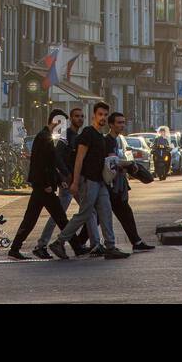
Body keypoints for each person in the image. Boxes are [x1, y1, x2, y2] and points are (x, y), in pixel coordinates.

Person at [48, 102, 127, 260]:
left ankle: (110, 246)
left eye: (105, 115)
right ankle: (59, 242)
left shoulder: (101, 137)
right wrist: (75, 182)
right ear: (94, 116)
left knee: (105, 211)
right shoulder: (88, 133)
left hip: (100, 181)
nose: (103, 117)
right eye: (100, 114)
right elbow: (79, 158)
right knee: (84, 213)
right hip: (88, 180)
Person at [7, 111, 88, 260]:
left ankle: (15, 248)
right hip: (44, 186)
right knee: (60, 218)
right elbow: (40, 164)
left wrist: (58, 180)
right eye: (62, 123)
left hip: (43, 185)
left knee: (32, 219)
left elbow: (50, 164)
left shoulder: (46, 137)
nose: (63, 127)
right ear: (56, 122)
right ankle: (77, 247)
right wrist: (46, 184)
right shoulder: (44, 138)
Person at [36, 107, 97, 258]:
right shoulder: (67, 135)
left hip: (72, 180)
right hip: (69, 181)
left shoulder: (78, 135)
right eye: (77, 116)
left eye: (82, 116)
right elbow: (57, 157)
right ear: (71, 118)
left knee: (60, 214)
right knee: (87, 211)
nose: (80, 119)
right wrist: (66, 175)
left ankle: (44, 244)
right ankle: (94, 244)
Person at [105, 112, 155, 252]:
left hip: (115, 186)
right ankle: (76, 242)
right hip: (111, 186)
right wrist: (128, 164)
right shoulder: (108, 141)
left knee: (123, 213)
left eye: (123, 122)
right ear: (111, 124)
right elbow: (112, 162)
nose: (122, 125)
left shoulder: (115, 140)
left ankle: (136, 241)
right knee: (98, 216)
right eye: (119, 123)